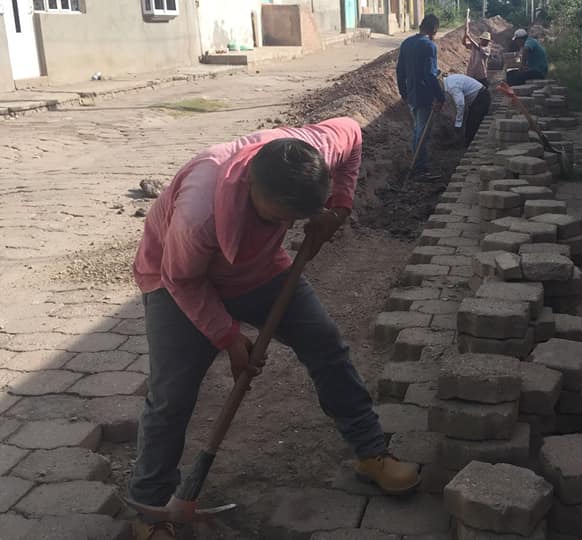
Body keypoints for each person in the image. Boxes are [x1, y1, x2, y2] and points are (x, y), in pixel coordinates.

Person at [128, 118, 419, 540]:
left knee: (326, 345)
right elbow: (182, 280)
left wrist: (338, 207)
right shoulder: (200, 212)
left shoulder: (309, 149)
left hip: (259, 271)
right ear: (251, 189)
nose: (287, 225)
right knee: (172, 395)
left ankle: (371, 452)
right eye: (279, 218)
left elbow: (353, 133)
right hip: (178, 283)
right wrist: (228, 337)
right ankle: (153, 507)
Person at [397, 14, 445, 181]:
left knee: (419, 128)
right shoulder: (429, 46)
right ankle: (419, 168)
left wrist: (404, 93)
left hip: (412, 95)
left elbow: (400, 71)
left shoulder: (407, 43)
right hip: (424, 96)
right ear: (434, 29)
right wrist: (440, 96)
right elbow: (430, 75)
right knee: (423, 131)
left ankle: (418, 163)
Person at [443, 73, 491, 147]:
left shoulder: (452, 87)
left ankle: (470, 146)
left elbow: (460, 104)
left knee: (472, 125)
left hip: (481, 98)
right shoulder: (449, 79)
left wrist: (458, 123)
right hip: (480, 96)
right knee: (470, 123)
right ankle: (466, 144)